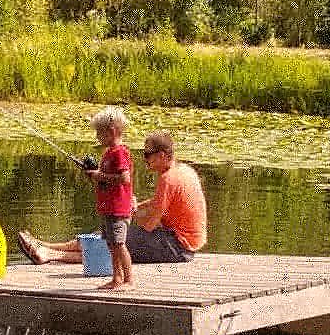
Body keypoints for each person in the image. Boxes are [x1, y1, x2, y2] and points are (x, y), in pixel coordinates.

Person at [17, 130, 207, 266]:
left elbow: (149, 224)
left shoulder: (168, 179)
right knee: (111, 233)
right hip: (182, 244)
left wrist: (127, 214)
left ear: (163, 155)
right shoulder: (184, 171)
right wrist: (133, 207)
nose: (144, 159)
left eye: (148, 154)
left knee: (114, 242)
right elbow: (157, 204)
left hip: (177, 247)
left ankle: (49, 254)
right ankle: (45, 245)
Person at [86, 105, 133, 290]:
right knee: (111, 244)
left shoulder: (120, 152)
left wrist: (100, 176)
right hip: (108, 207)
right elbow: (104, 181)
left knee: (120, 244)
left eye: (100, 132)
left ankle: (129, 280)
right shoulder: (107, 153)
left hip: (118, 209)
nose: (97, 136)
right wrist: (93, 175)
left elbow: (124, 178)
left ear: (112, 131)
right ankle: (117, 277)